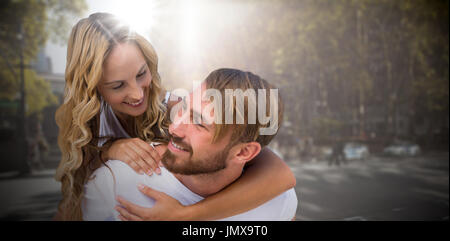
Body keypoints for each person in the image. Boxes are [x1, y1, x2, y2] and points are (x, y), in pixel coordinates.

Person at [54, 12, 296, 220]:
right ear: (92, 87)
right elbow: (79, 181)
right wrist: (109, 150)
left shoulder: (173, 105)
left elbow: (276, 172)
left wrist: (184, 216)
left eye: (141, 74)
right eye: (118, 86)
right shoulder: (85, 127)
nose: (138, 94)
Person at [83, 69, 298, 221]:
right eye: (182, 110)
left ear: (244, 152)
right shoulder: (117, 183)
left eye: (199, 123)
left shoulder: (278, 201)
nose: (174, 128)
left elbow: (281, 176)